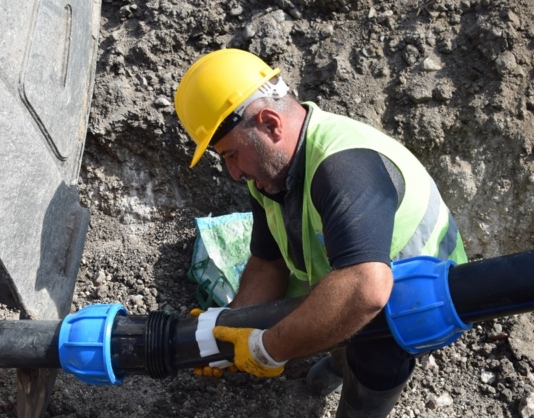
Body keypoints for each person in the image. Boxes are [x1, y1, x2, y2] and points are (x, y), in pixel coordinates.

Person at [174, 48, 467, 418]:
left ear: (269, 124)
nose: (233, 172)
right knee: (333, 321)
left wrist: (268, 348)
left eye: (231, 154)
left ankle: (359, 401)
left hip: (423, 294)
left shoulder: (344, 167)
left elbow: (366, 289)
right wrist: (228, 328)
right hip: (349, 278)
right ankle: (337, 358)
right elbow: (268, 263)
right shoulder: (269, 175)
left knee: (373, 355)